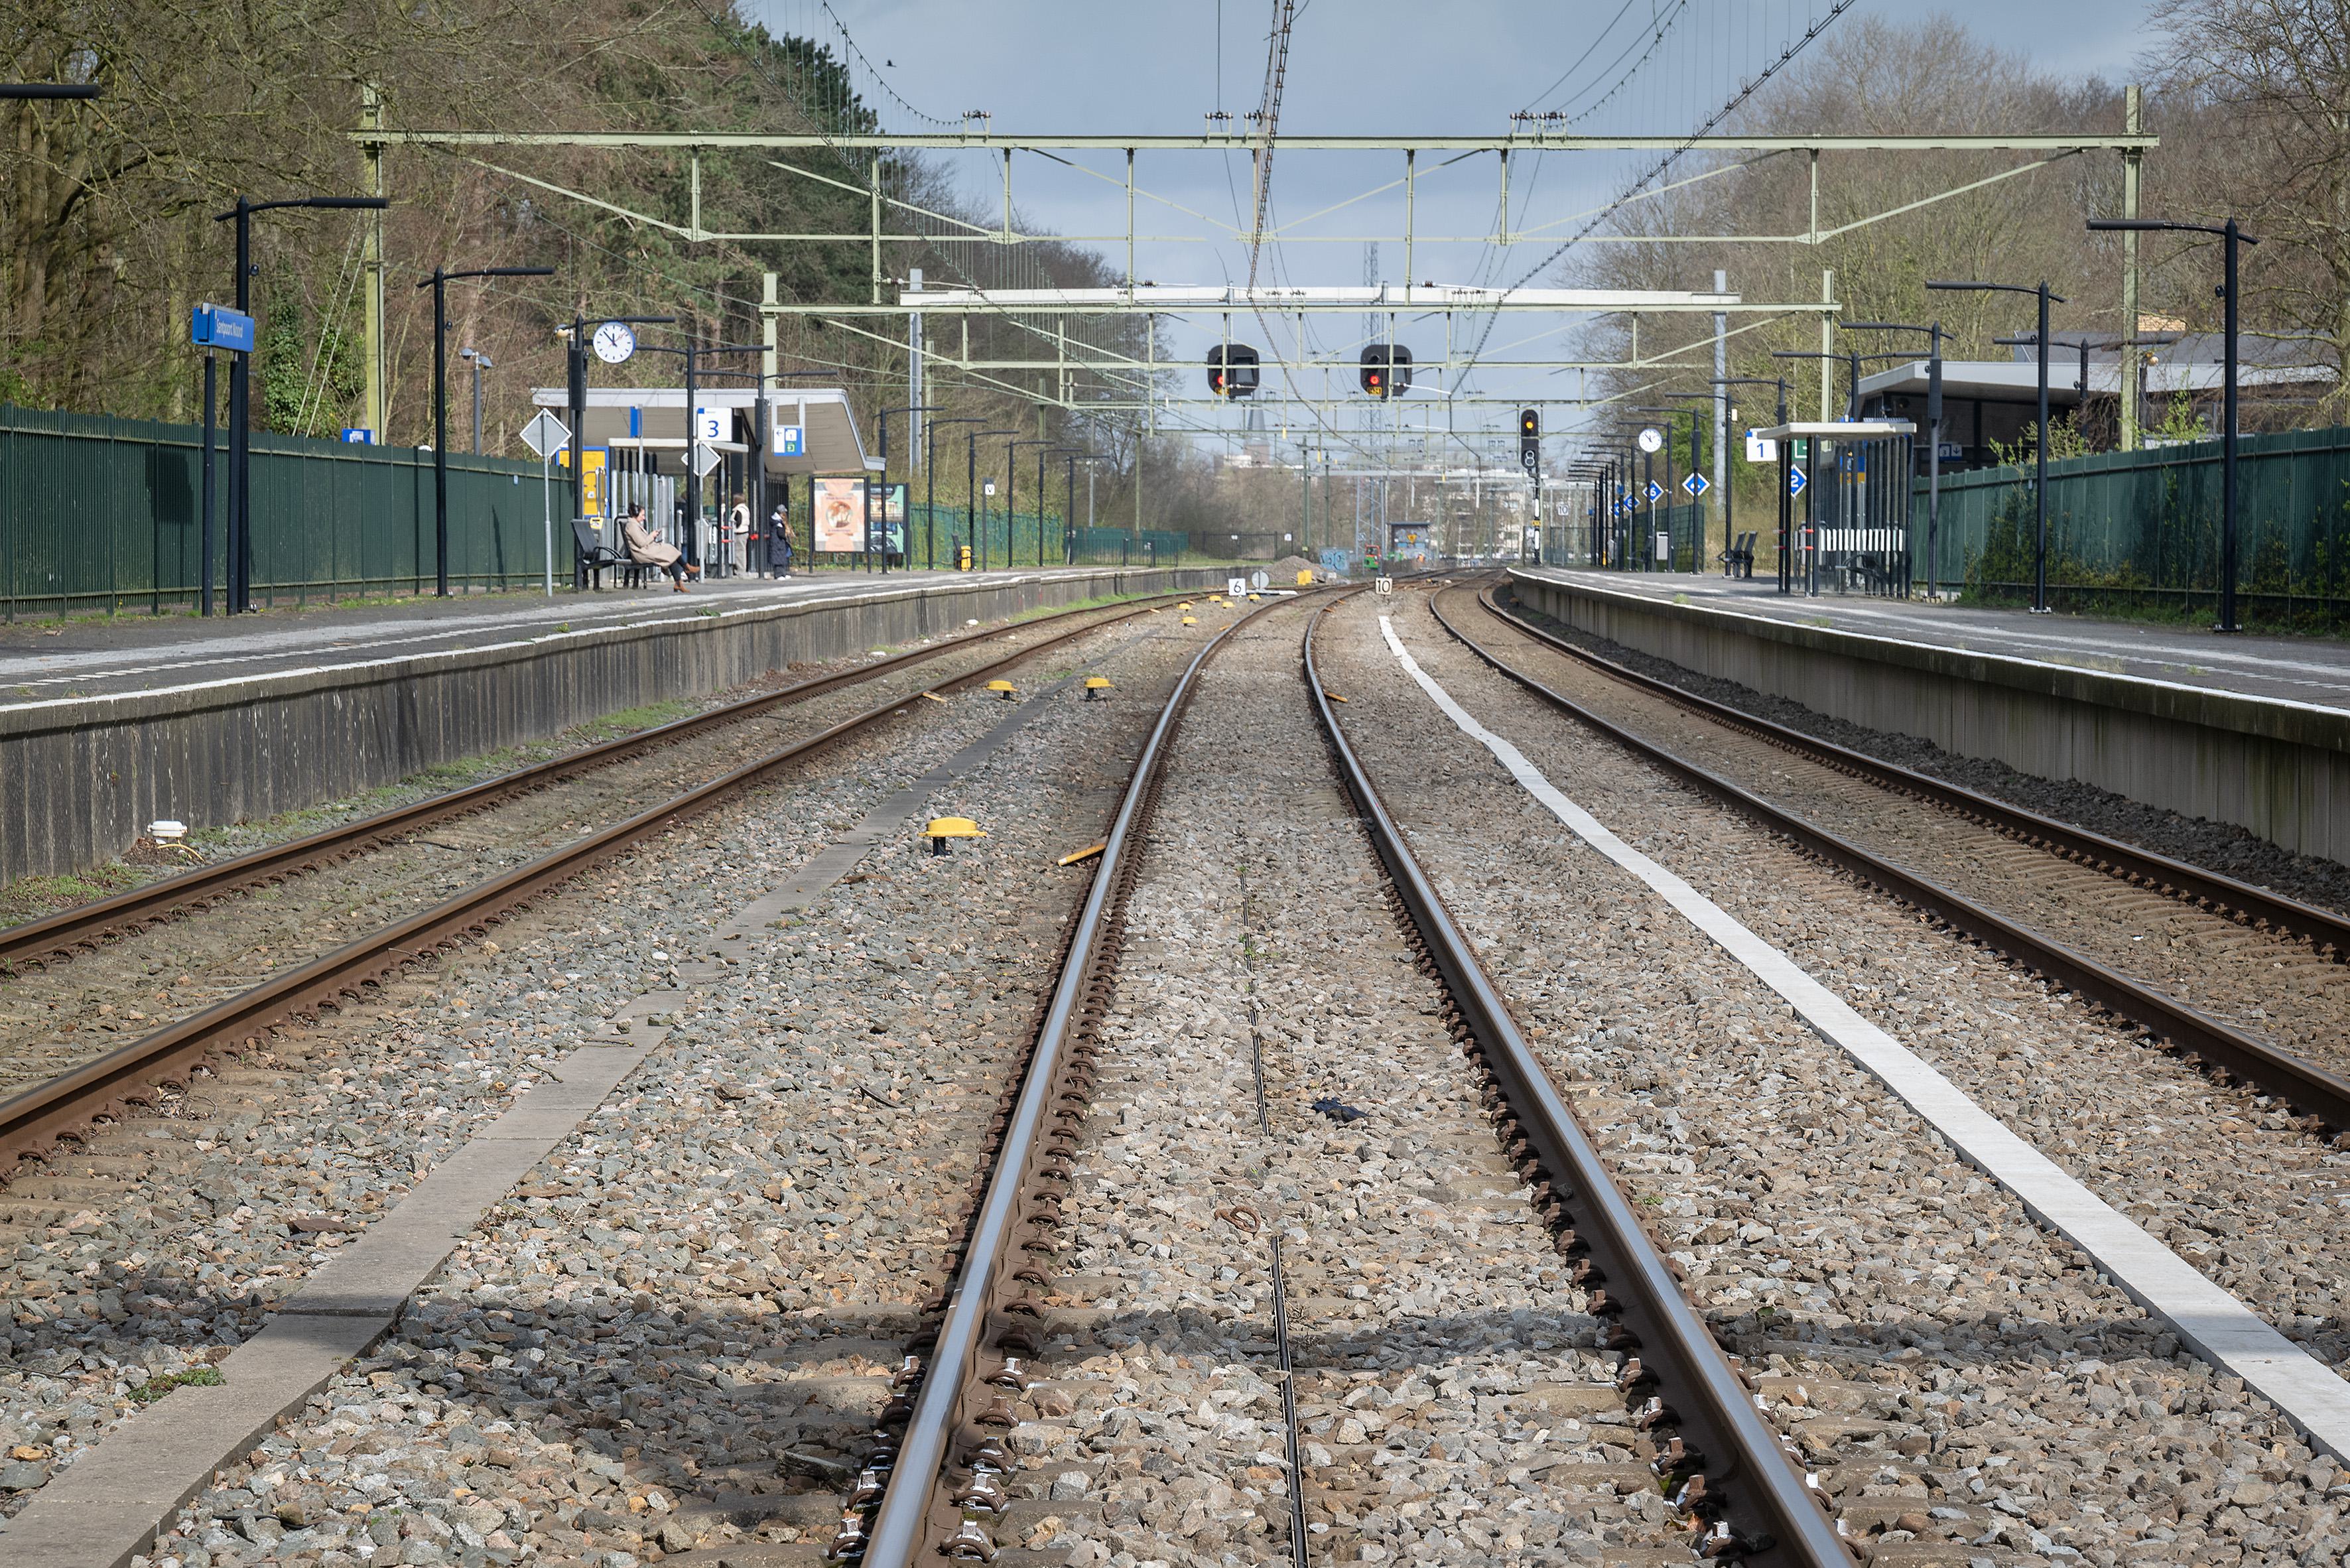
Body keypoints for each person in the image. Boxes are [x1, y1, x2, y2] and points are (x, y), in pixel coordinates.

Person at [621, 501, 695, 592]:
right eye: (643, 515)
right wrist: (652, 536)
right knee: (669, 551)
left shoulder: (635, 525)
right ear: (636, 514)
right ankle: (685, 570)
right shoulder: (632, 526)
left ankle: (681, 578)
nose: (644, 518)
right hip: (641, 554)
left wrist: (653, 537)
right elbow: (641, 543)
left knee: (670, 552)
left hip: (646, 551)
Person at [724, 493, 750, 579]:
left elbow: (738, 522)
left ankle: (740, 571)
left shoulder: (738, 510)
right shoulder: (746, 509)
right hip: (745, 532)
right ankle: (742, 570)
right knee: (742, 552)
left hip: (739, 533)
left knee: (739, 553)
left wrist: (733, 528)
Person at [771, 504, 794, 578]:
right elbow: (781, 534)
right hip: (777, 543)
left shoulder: (778, 521)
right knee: (778, 560)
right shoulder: (778, 523)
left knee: (782, 559)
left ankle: (783, 573)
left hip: (780, 544)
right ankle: (778, 574)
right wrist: (786, 534)